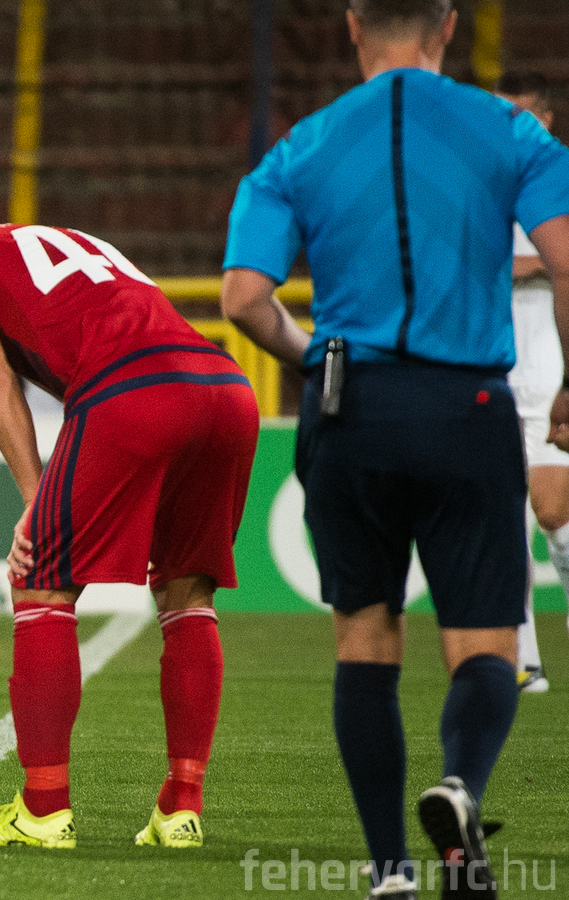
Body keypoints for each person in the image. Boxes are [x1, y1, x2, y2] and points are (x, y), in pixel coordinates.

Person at [220, 3, 569, 898]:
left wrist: (316, 359)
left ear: (350, 25)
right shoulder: (512, 132)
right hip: (469, 405)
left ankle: (388, 873)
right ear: (448, 25)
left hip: (352, 410)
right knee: (487, 644)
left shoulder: (300, 148)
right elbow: (567, 257)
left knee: (365, 640)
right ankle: (460, 790)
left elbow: (243, 299)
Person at [0, 198, 260, 850]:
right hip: (227, 389)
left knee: (40, 581)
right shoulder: (65, 237)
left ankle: (43, 811)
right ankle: (181, 807)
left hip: (134, 390)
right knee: (187, 593)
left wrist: (34, 496)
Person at [497, 70, 563, 695]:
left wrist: (527, 266)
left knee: (554, 511)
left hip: (551, 365)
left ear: (545, 120)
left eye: (520, 115)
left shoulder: (559, 178)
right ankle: (524, 661)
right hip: (491, 368)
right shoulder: (481, 181)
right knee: (502, 520)